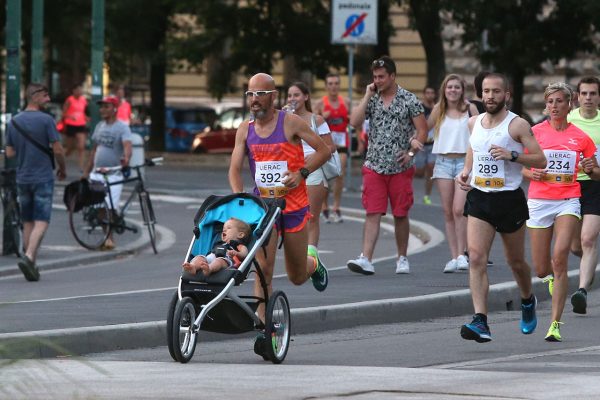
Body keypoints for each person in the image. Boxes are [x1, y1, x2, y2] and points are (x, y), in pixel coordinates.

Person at [228, 73, 331, 321]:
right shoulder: (245, 129)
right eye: (250, 94)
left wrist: (301, 173)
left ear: (273, 96)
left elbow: (324, 150)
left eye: (260, 94)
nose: (254, 100)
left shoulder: (291, 123)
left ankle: (313, 263)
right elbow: (234, 169)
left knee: (296, 276)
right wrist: (239, 196)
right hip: (263, 209)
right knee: (263, 269)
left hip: (293, 206)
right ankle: (263, 327)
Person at [456, 72, 546, 343]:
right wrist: (467, 171)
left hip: (509, 200)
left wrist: (513, 155)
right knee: (476, 257)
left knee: (515, 262)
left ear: (506, 94)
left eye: (496, 91)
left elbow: (540, 160)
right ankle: (480, 321)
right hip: (480, 197)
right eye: (486, 91)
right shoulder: (473, 122)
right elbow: (474, 147)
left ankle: (527, 299)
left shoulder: (517, 125)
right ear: (481, 94)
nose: (490, 96)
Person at [523, 82, 600, 342]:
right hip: (539, 201)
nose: (554, 106)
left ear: (569, 105)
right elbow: (521, 166)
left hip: (568, 198)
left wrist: (591, 169)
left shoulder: (581, 137)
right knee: (541, 267)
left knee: (560, 259)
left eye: (559, 101)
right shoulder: (534, 133)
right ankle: (551, 281)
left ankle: (554, 324)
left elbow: (596, 171)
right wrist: (531, 172)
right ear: (546, 105)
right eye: (550, 101)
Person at [346, 55, 428, 275]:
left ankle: (402, 257)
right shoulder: (372, 98)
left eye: (382, 77)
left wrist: (411, 152)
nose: (378, 80)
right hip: (374, 165)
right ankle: (366, 258)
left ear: (393, 76)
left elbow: (422, 130)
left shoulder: (409, 99)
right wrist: (366, 95)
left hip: (400, 167)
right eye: (375, 77)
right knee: (372, 212)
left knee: (400, 214)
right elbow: (353, 122)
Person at [6, 83, 67, 281]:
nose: (48, 98)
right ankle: (30, 256)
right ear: (34, 96)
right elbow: (57, 149)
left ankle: (31, 265)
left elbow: (9, 152)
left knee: (27, 221)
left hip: (22, 177)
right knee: (42, 220)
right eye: (45, 95)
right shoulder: (46, 120)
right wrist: (62, 168)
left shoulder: (14, 122)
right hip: (42, 177)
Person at [428, 75, 479, 273]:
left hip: (464, 163)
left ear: (462, 90)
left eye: (457, 87)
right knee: (448, 211)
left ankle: (462, 254)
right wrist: (413, 143)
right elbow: (423, 129)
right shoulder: (438, 109)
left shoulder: (470, 109)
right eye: (449, 87)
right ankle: (454, 255)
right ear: (444, 89)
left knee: (459, 209)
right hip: (442, 162)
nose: (453, 90)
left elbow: (479, 134)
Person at [286, 81, 337, 254]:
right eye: (290, 95)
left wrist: (314, 156)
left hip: (314, 169)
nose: (293, 98)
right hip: (292, 170)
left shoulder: (317, 119)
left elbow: (331, 147)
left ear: (306, 97)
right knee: (293, 215)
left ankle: (311, 256)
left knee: (312, 216)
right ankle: (298, 255)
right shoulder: (284, 120)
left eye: (297, 95)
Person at [83, 95, 133, 250]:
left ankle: (110, 237)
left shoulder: (122, 127)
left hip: (113, 174)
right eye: (101, 106)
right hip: (97, 172)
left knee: (110, 207)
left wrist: (126, 158)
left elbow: (127, 146)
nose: (102, 109)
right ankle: (108, 238)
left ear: (115, 109)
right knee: (100, 206)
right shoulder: (99, 126)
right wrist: (87, 171)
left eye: (106, 106)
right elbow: (94, 149)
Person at [568, 77, 600, 315]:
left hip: (595, 185)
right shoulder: (568, 120)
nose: (588, 98)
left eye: (593, 93)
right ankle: (589, 265)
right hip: (569, 187)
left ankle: (581, 291)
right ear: (578, 97)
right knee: (575, 246)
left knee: (588, 239)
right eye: (585, 93)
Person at [315, 73, 350, 223]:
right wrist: (323, 115)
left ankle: (336, 207)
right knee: (325, 177)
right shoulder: (320, 103)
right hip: (325, 144)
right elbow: (312, 123)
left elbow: (353, 121)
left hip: (341, 142)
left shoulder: (346, 102)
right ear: (326, 86)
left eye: (336, 83)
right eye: (330, 83)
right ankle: (324, 206)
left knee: (339, 173)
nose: (333, 86)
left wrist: (361, 141)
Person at [182, 218, 250, 275]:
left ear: (240, 235)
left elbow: (245, 254)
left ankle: (209, 269)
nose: (224, 230)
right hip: (210, 258)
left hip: (226, 261)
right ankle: (193, 267)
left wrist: (236, 253)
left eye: (229, 228)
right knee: (199, 257)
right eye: (224, 228)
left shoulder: (238, 245)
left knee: (219, 261)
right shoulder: (220, 243)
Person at [415, 86, 437, 205]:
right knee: (419, 171)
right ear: (424, 94)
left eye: (432, 93)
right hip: (421, 144)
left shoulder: (437, 108)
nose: (430, 95)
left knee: (431, 168)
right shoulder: (419, 108)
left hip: (433, 144)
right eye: (427, 93)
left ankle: (427, 196)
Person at [62, 83, 89, 171]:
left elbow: (83, 112)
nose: (79, 91)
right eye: (77, 90)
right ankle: (62, 158)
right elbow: (64, 113)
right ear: (73, 91)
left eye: (80, 90)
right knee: (70, 147)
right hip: (70, 124)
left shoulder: (83, 100)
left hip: (81, 124)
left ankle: (81, 167)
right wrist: (70, 116)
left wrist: (86, 117)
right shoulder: (69, 100)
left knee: (81, 146)